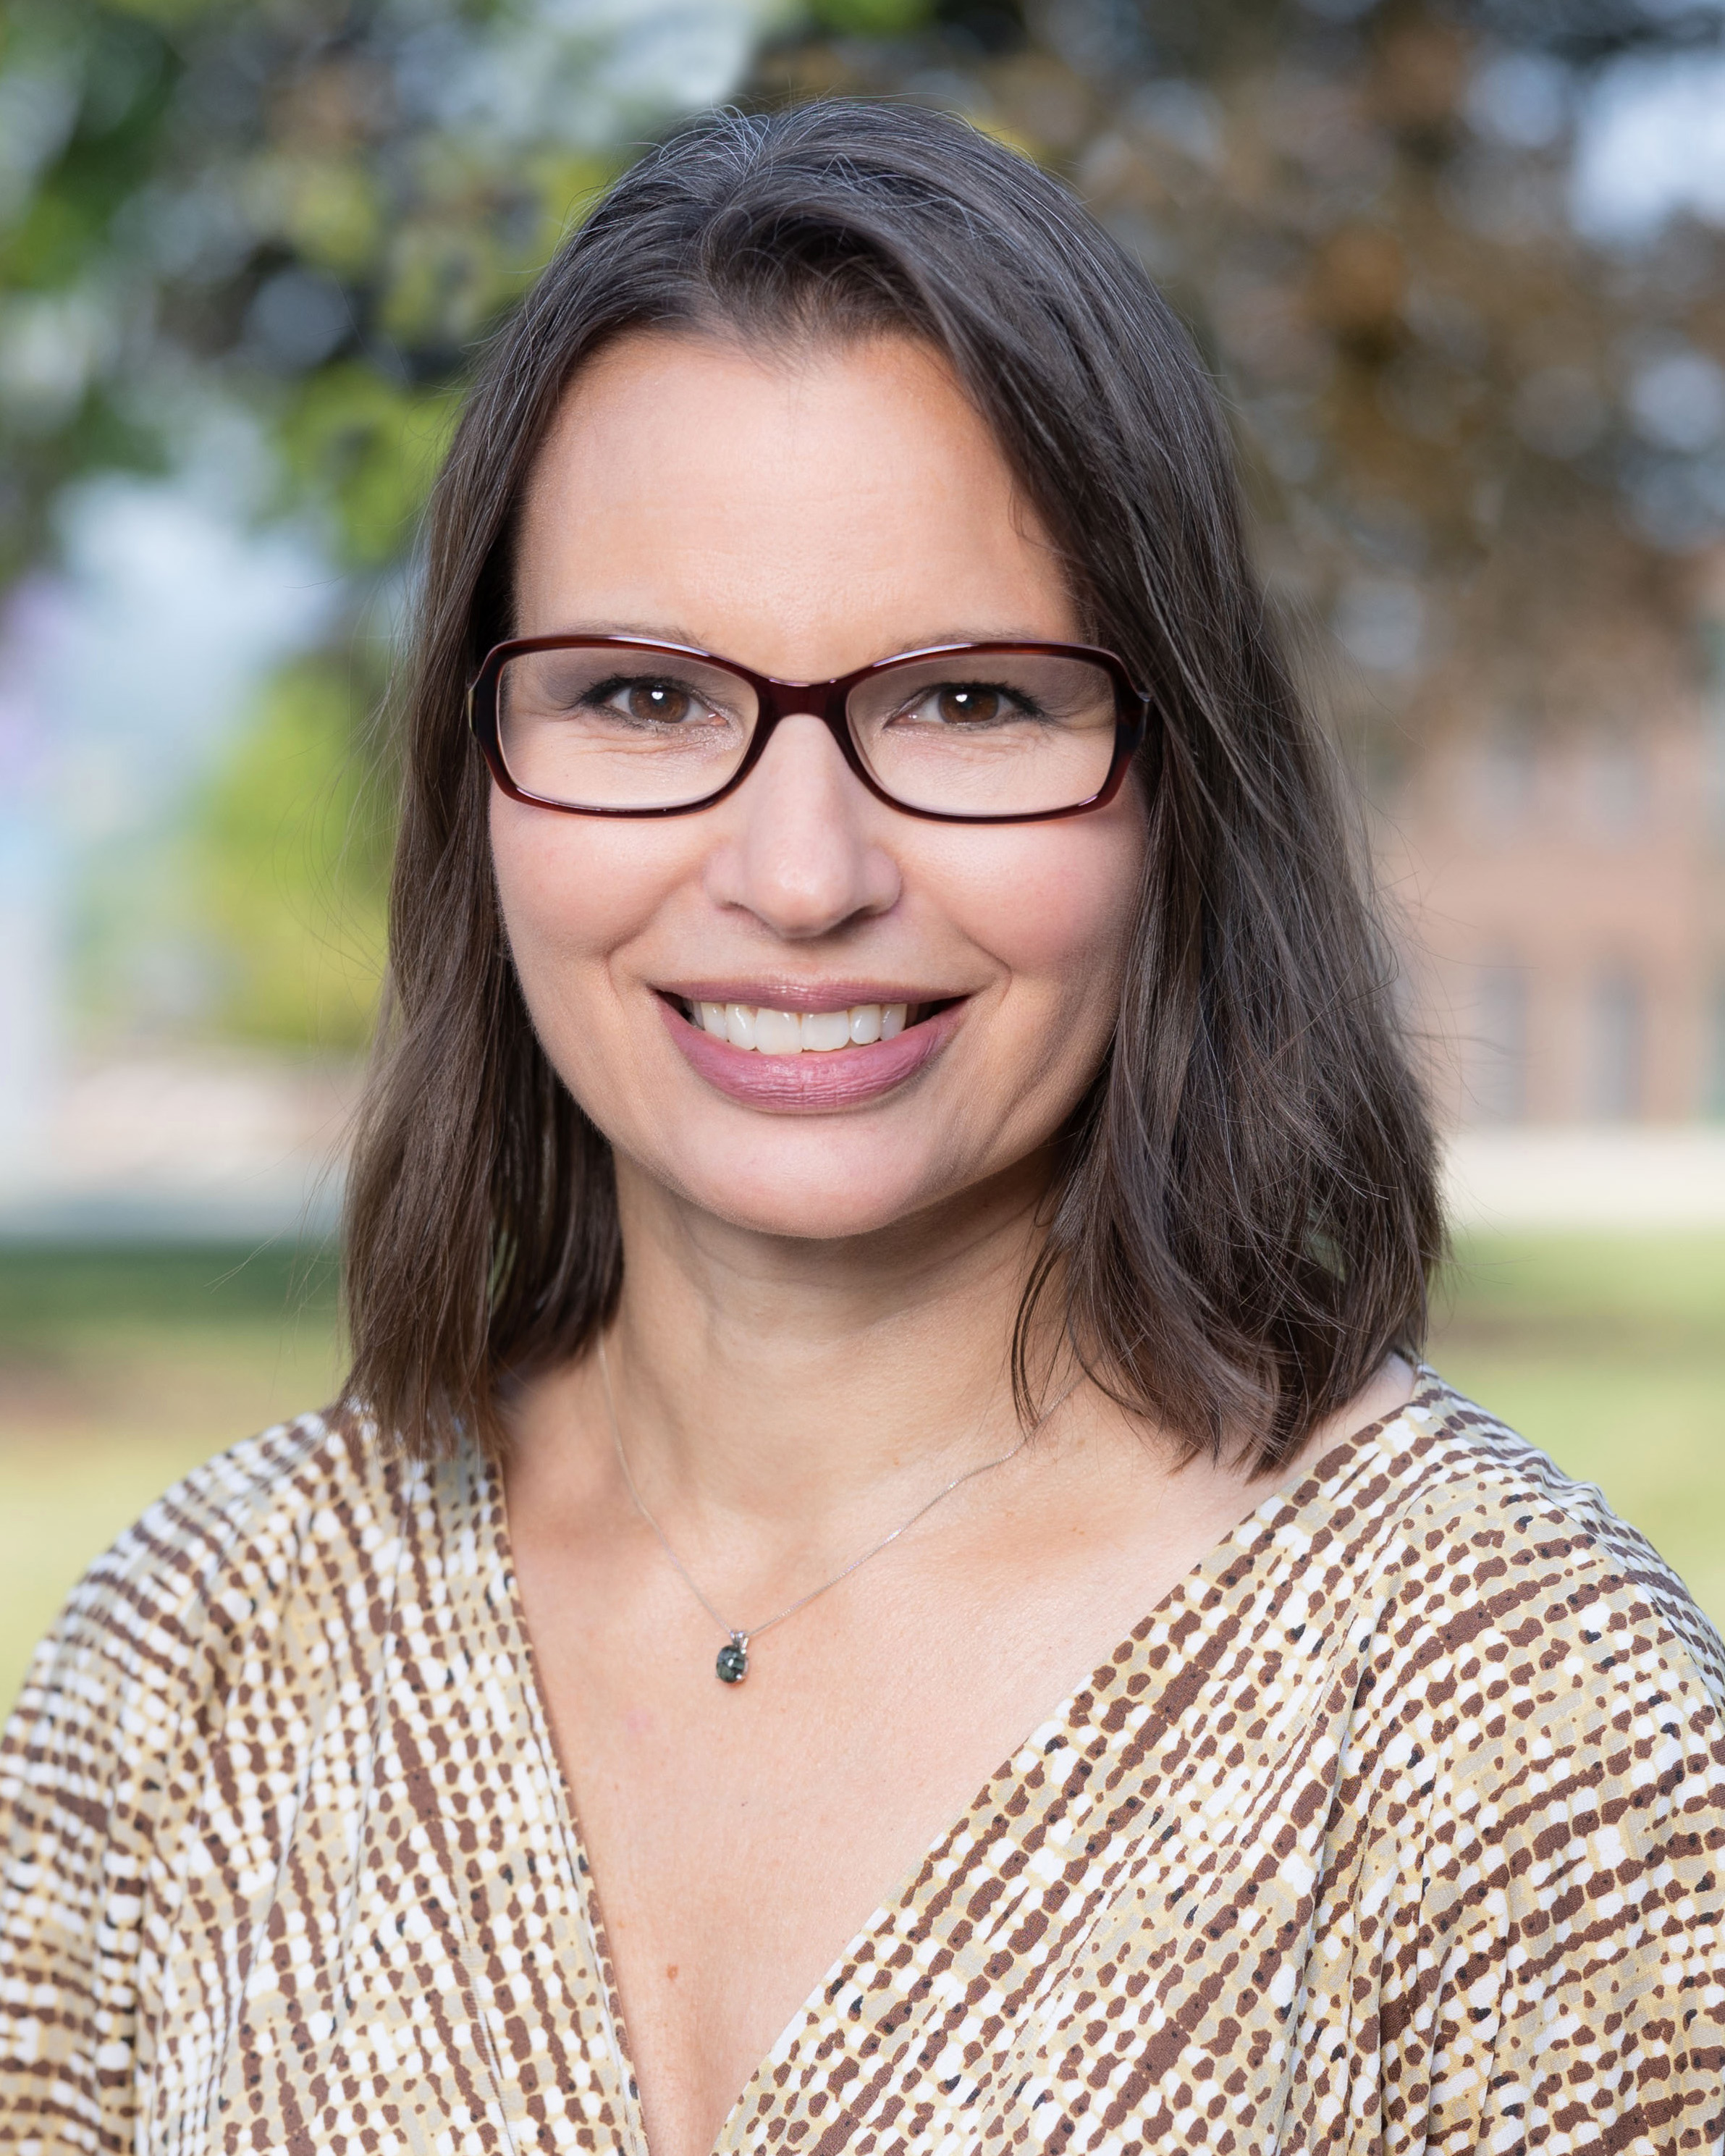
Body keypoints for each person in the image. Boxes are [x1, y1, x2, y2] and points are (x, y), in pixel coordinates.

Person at [2, 99, 1721, 2156]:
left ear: (1174, 775)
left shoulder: (1525, 1720)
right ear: (483, 773)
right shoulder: (193, 1662)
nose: (800, 872)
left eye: (968, 702)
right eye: (642, 696)